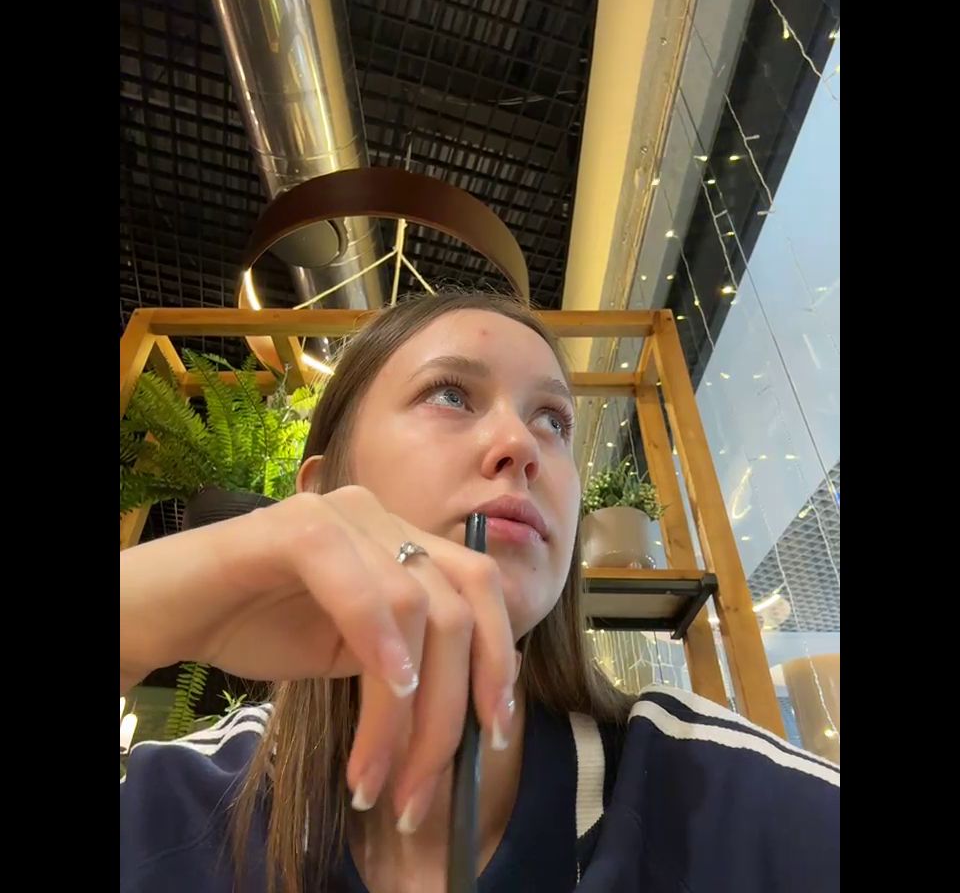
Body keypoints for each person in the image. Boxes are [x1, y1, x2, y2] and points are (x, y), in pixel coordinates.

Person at [120, 291, 839, 893]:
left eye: (553, 421)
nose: (521, 446)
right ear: (322, 489)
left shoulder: (730, 804)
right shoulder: (172, 806)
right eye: (451, 395)